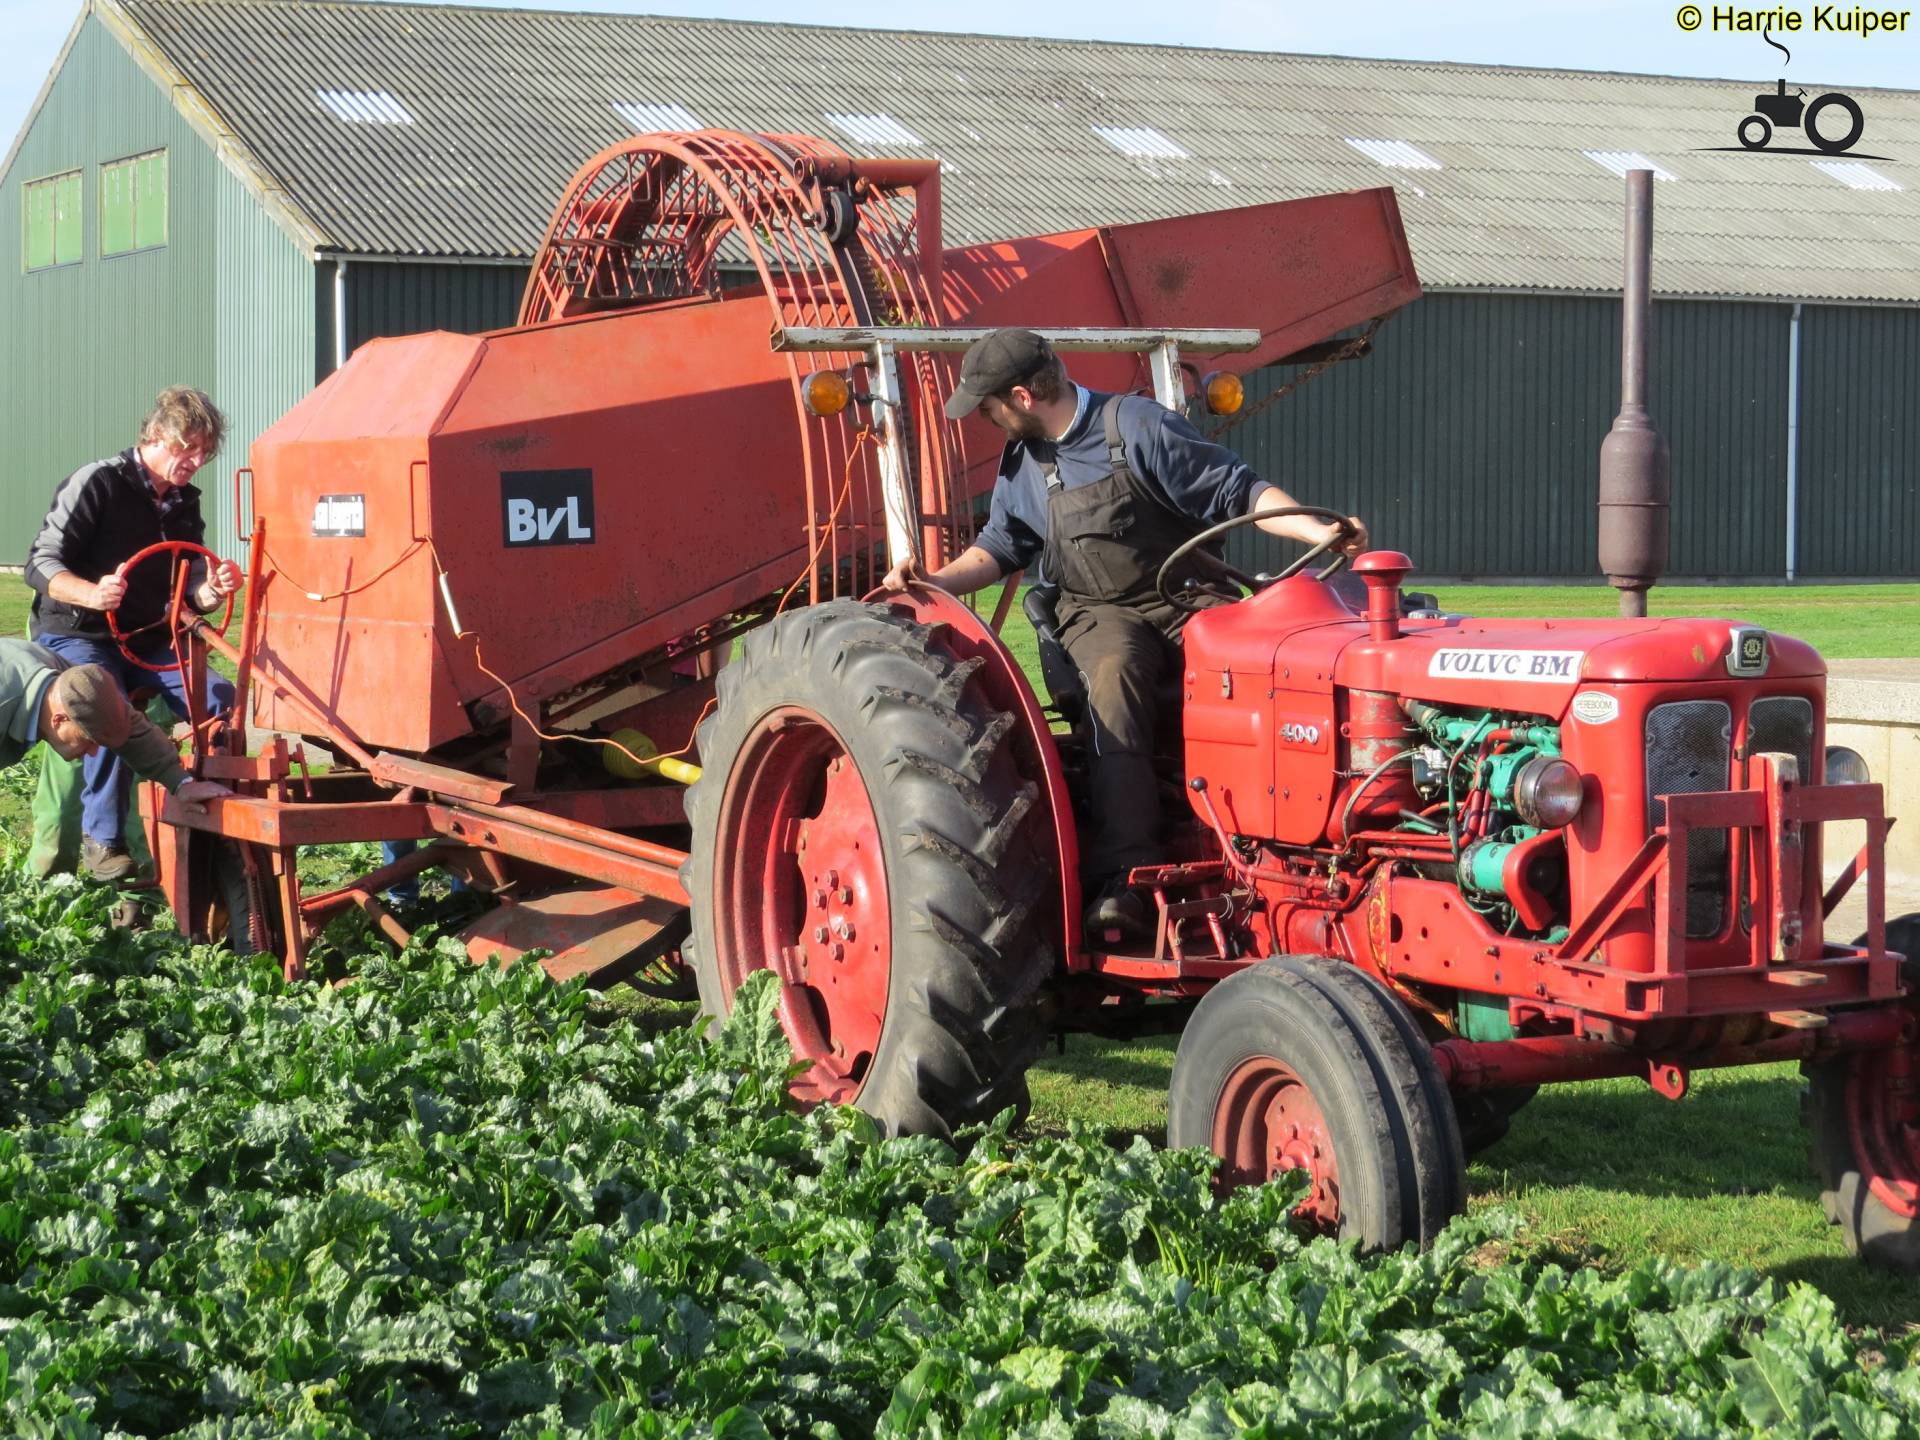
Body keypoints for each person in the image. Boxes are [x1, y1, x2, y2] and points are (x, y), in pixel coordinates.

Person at [882, 329, 1367, 942]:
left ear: (1024, 396)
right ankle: (1127, 878)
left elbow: (1237, 488)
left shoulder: (1139, 427)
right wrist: (932, 579)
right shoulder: (1024, 465)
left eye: (989, 406)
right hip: (1100, 611)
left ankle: (1284, 842)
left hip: (1189, 595)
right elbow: (1002, 546)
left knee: (1267, 668)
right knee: (1114, 679)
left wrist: (1316, 530)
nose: (987, 419)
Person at [24, 387, 243, 881]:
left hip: (145, 638)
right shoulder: (98, 482)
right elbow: (39, 563)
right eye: (186, 447)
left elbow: (188, 598)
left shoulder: (185, 504)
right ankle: (104, 841)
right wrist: (91, 593)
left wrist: (214, 589)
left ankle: (219, 813)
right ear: (154, 436)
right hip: (77, 633)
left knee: (219, 700)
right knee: (109, 703)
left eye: (204, 452)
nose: (195, 460)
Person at [1, 638, 229, 815]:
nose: (93, 752)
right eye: (88, 740)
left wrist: (180, 783)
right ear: (59, 720)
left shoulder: (68, 679)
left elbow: (125, 723)